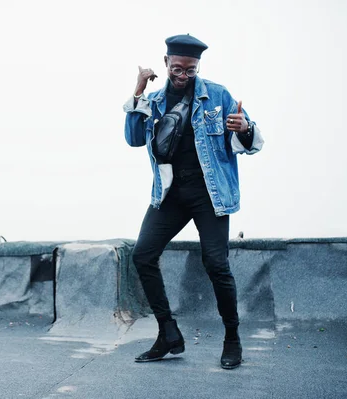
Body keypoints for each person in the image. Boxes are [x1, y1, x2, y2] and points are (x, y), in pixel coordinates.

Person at [122, 34, 264, 369]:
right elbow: (132, 138)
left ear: (198, 67)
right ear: (166, 63)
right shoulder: (154, 101)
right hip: (170, 194)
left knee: (216, 264)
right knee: (142, 255)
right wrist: (138, 91)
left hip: (209, 194)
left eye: (190, 69)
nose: (183, 75)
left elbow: (252, 141)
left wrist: (243, 128)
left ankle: (233, 338)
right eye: (177, 68)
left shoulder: (217, 96)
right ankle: (167, 333)